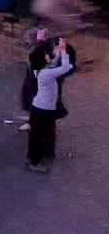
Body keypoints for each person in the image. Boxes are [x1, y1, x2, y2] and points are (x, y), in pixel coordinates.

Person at [26, 36, 75, 172]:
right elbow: (64, 67)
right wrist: (64, 50)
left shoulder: (40, 70)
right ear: (43, 61)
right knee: (40, 136)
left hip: (38, 107)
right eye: (46, 56)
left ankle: (31, 158)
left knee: (35, 135)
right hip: (45, 110)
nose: (49, 56)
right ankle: (35, 163)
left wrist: (59, 50)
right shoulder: (46, 74)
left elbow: (53, 63)